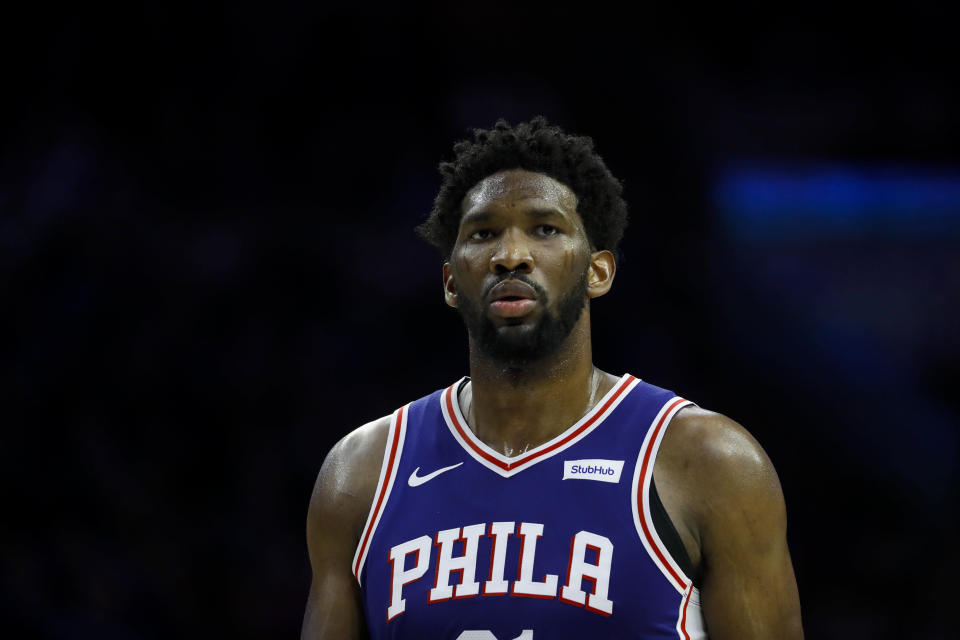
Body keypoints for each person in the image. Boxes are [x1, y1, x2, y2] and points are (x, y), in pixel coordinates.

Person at [301, 117, 804, 639]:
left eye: (545, 229)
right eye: (483, 233)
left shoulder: (709, 462)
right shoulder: (361, 475)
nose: (510, 255)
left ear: (598, 271)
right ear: (451, 281)